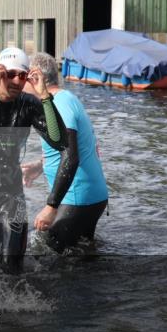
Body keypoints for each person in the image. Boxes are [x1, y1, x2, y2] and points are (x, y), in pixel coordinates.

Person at [0, 47, 72, 273]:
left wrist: (45, 97)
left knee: (12, 266)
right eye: (10, 74)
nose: (17, 81)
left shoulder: (28, 104)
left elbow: (59, 141)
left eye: (22, 75)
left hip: (10, 195)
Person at [21, 52, 109, 252]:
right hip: (86, 195)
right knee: (80, 256)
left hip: (77, 196)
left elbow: (71, 155)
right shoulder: (62, 99)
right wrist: (39, 166)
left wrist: (51, 207)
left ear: (35, 78)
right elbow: (66, 147)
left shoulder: (59, 104)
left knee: (52, 256)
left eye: (22, 77)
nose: (20, 85)